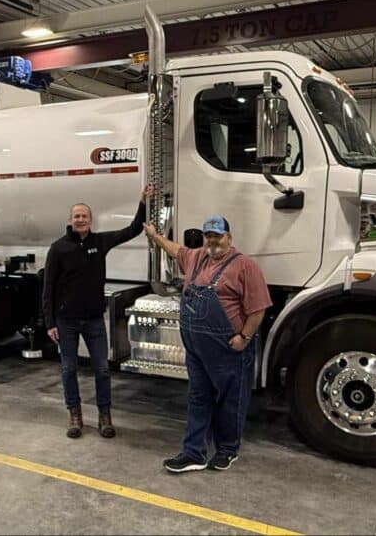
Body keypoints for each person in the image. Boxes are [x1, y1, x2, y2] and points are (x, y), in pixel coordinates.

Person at [144, 216, 271, 472]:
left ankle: (227, 450)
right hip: (197, 349)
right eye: (208, 235)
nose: (212, 240)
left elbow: (258, 309)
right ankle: (194, 453)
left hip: (227, 348)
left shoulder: (245, 266)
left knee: (231, 400)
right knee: (198, 397)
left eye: (217, 235)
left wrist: (243, 338)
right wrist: (155, 236)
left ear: (229, 238)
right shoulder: (196, 257)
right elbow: (175, 249)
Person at [43, 184, 151, 439]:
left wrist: (144, 202)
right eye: (76, 216)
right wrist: (49, 322)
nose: (81, 219)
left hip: (93, 320)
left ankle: (104, 416)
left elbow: (133, 230)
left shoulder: (100, 241)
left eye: (84, 216)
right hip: (66, 321)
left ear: (90, 220)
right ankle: (75, 415)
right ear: (70, 220)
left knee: (102, 369)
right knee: (69, 369)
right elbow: (47, 287)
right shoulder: (58, 248)